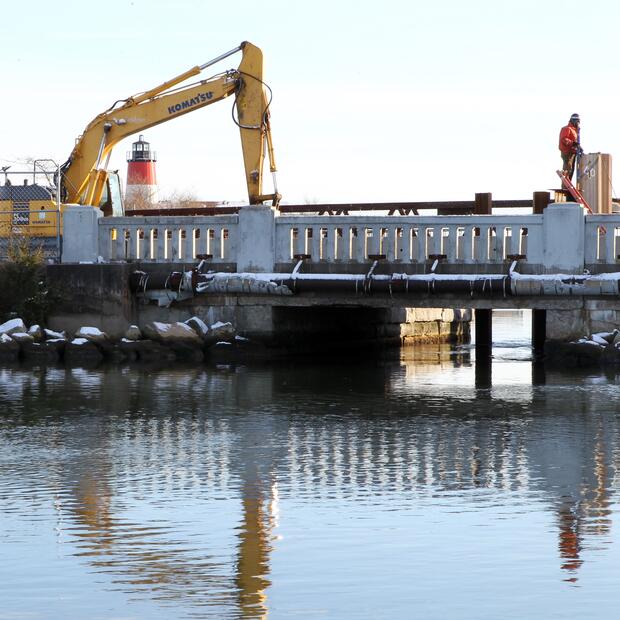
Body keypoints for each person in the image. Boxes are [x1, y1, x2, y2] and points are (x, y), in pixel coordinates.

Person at [558, 113, 582, 182]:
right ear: (574, 121)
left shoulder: (574, 130)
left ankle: (568, 185)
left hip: (572, 152)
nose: (578, 123)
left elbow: (575, 142)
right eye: (577, 121)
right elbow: (564, 139)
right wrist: (573, 143)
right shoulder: (567, 129)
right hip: (567, 153)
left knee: (571, 170)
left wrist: (578, 147)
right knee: (568, 170)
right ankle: (565, 187)